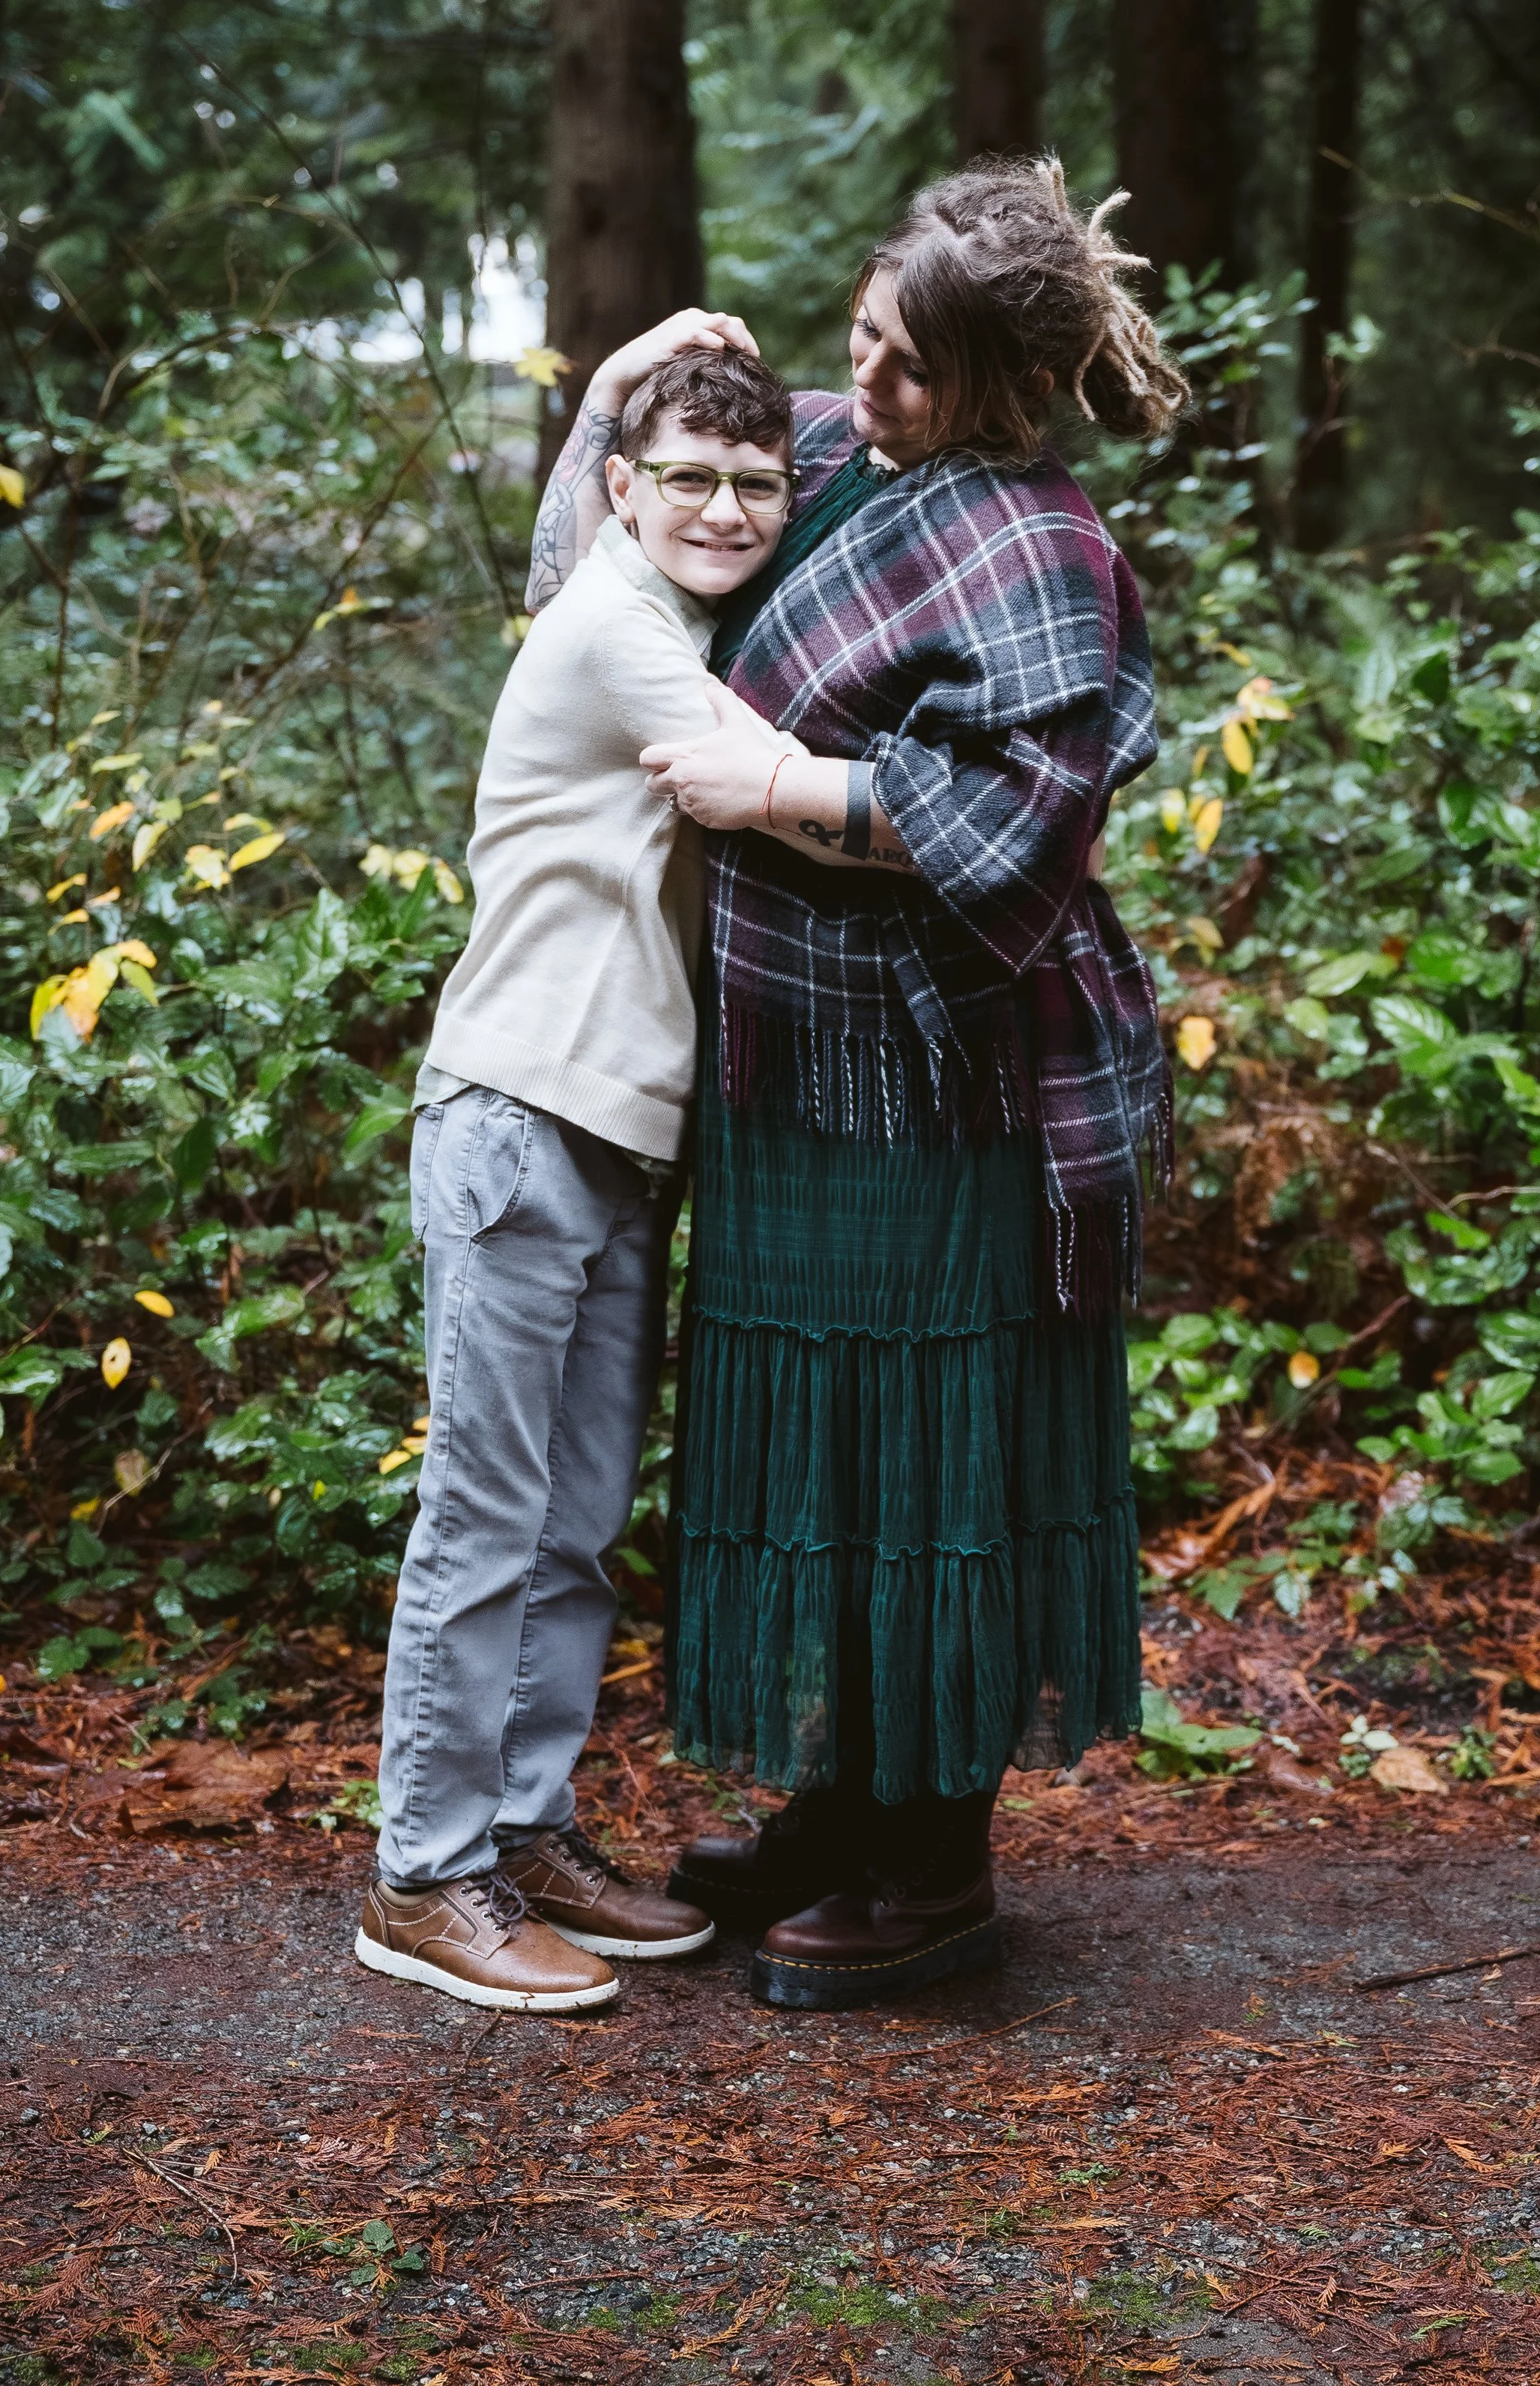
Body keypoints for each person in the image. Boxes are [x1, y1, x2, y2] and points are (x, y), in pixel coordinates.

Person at [525, 159, 1183, 2013]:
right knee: (814, 1440)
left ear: (988, 386)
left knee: (928, 1449)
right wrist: (614, 393)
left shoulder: (1046, 552)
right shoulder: (823, 458)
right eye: (860, 335)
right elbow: (598, 572)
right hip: (788, 1058)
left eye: (899, 364)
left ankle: (936, 1860)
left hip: (953, 1080)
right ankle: (837, 1801)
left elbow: (1021, 833)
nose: (857, 378)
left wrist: (791, 795)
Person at [359, 344, 797, 2013]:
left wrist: (645, 379)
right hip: (518, 1117)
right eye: (684, 474)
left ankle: (523, 1830)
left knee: (572, 1525)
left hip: (621, 1135)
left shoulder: (664, 610)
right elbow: (785, 804)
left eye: (755, 483)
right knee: (484, 1515)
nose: (721, 507)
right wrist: (935, 809)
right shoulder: (612, 624)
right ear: (618, 483)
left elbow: (648, 477)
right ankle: (423, 1873)